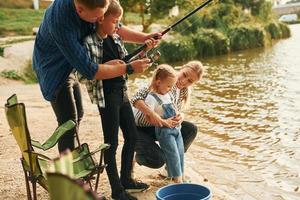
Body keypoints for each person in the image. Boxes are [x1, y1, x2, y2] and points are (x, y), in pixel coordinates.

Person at [32, 0, 160, 153]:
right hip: (54, 69)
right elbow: (90, 71)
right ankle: (66, 173)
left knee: (78, 114)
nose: (99, 20)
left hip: (72, 64)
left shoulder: (95, 8)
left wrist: (144, 37)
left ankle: (72, 159)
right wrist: (128, 68)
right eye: (97, 18)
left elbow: (112, 24)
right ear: (80, 10)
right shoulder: (60, 22)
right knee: (68, 122)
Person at [78, 1, 157, 199]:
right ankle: (117, 190)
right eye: (115, 22)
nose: (117, 26)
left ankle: (127, 179)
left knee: (131, 136)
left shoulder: (114, 38)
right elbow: (84, 74)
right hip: (107, 97)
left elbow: (125, 62)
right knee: (111, 143)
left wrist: (144, 50)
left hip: (122, 92)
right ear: (102, 18)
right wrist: (108, 65)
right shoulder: (88, 41)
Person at [131, 61, 204, 169]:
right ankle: (136, 157)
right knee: (157, 160)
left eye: (189, 81)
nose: (184, 81)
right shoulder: (165, 78)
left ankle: (170, 168)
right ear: (182, 68)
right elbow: (135, 99)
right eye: (184, 74)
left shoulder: (184, 92)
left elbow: (173, 110)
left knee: (191, 129)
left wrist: (180, 116)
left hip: (157, 126)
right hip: (137, 128)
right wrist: (153, 114)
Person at [141, 64, 184, 183]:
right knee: (173, 155)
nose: (171, 89)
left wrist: (179, 116)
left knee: (180, 152)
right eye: (169, 86)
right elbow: (149, 117)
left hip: (176, 129)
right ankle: (178, 181)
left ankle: (180, 177)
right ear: (158, 82)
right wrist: (163, 121)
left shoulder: (168, 94)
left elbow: (175, 108)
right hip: (164, 131)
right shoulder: (152, 97)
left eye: (172, 86)